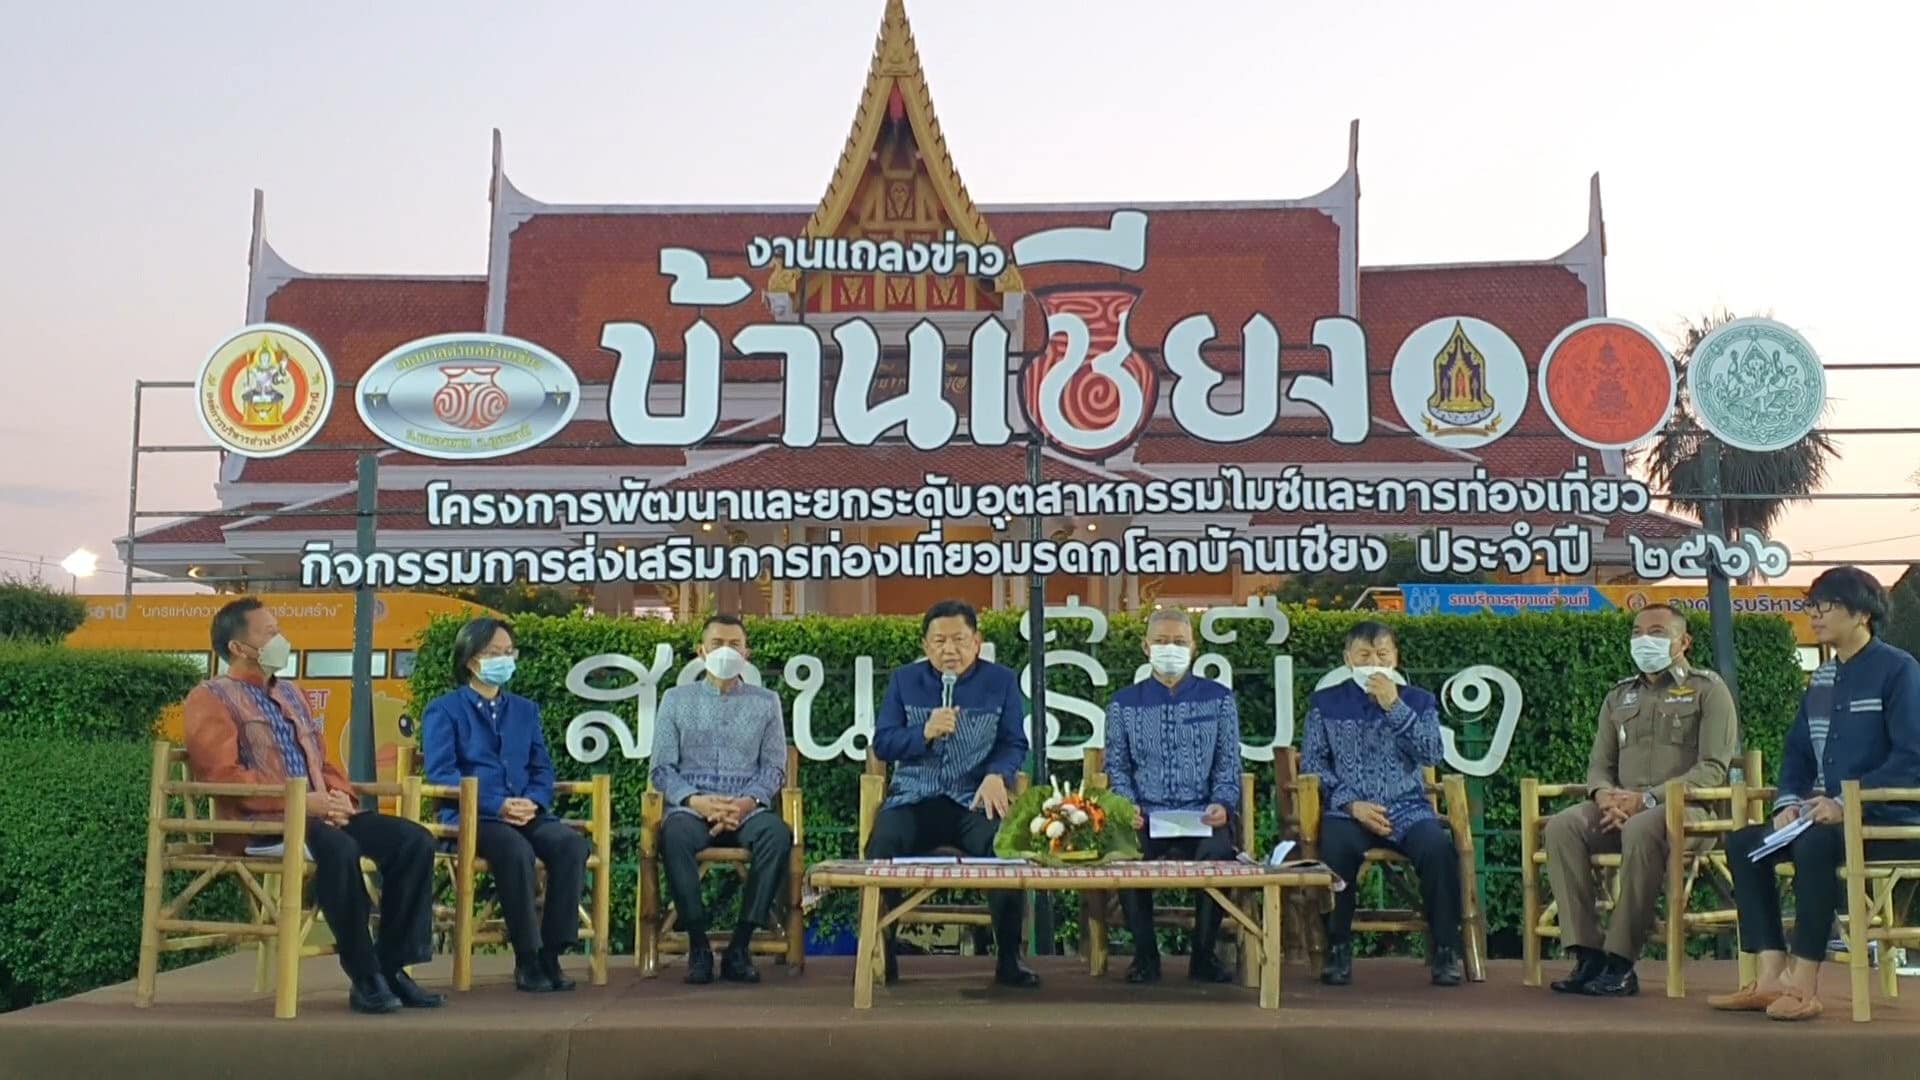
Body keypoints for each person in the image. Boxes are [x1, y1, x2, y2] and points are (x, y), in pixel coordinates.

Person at [183, 597, 444, 1015]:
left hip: (321, 814)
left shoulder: (291, 693)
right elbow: (220, 776)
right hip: (262, 824)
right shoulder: (211, 696)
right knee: (339, 849)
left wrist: (340, 798)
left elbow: (321, 762)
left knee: (413, 841)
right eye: (270, 633)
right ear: (238, 647)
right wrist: (304, 801)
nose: (281, 639)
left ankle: (392, 966)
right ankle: (364, 975)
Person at [1711, 567, 1920, 1021]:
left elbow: (1912, 756)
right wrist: (1789, 803)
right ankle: (1770, 976)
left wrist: (1845, 803)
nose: (1816, 614)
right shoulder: (1822, 678)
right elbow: (1798, 754)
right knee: (1744, 843)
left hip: (1890, 821)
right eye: (1813, 605)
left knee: (1815, 845)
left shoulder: (1899, 670)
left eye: (1827, 605)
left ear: (1863, 614)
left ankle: (1804, 985)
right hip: (1820, 819)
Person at [1543, 603, 1737, 997]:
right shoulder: (1619, 696)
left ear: (1684, 641)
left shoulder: (1708, 689)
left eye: (1657, 632)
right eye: (1637, 632)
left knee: (1643, 827)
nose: (1644, 640)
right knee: (1563, 826)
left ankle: (1620, 961)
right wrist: (1604, 797)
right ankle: (1587, 954)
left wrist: (1646, 800)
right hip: (1621, 812)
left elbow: (1712, 768)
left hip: (1688, 813)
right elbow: (1599, 765)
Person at [865, 599, 1039, 989]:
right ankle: (882, 950)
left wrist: (997, 774)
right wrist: (923, 732)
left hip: (971, 799)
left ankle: (1010, 958)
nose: (949, 650)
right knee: (883, 844)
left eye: (959, 640)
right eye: (939, 641)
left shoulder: (1001, 682)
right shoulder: (905, 681)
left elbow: (1014, 743)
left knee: (1004, 848)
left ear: (977, 642)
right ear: (925, 645)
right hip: (915, 798)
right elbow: (884, 744)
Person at [420, 617, 591, 994]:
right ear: (471, 660)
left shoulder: (525, 710)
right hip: (473, 815)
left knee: (571, 845)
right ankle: (527, 957)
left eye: (508, 652)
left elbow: (542, 768)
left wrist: (534, 801)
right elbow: (442, 773)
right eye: (494, 652)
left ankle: (552, 953)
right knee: (515, 851)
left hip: (525, 811)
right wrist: (498, 805)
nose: (504, 659)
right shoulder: (444, 710)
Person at [1301, 620, 1464, 987]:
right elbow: (1313, 764)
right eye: (1364, 655)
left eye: (1382, 654)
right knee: (1336, 851)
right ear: (1348, 659)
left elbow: (1432, 752)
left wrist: (1394, 706)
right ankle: (1338, 948)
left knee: (1438, 849)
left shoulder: (1419, 701)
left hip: (1407, 807)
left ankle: (1445, 949)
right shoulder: (1325, 703)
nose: (1373, 663)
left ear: (1395, 658)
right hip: (1350, 809)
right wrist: (1351, 803)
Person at [650, 614, 794, 986]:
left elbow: (774, 768)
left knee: (777, 835)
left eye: (734, 645)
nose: (725, 652)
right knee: (673, 836)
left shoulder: (766, 702)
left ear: (746, 654)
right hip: (692, 809)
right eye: (717, 644)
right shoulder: (675, 700)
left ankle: (740, 947)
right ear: (701, 651)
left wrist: (745, 804)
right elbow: (661, 769)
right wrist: (697, 801)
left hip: (746, 811)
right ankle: (698, 945)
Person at [1103, 608, 1241, 984]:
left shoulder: (1219, 699)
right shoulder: (1123, 704)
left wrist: (1223, 804)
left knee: (1218, 854)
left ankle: (1204, 955)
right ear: (1146, 647)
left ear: (1194, 648)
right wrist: (1126, 805)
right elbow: (1117, 767)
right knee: (1126, 853)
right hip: (1146, 815)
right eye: (1162, 641)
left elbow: (1228, 764)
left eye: (1179, 642)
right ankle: (1145, 957)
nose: (1171, 649)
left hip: (1202, 814)